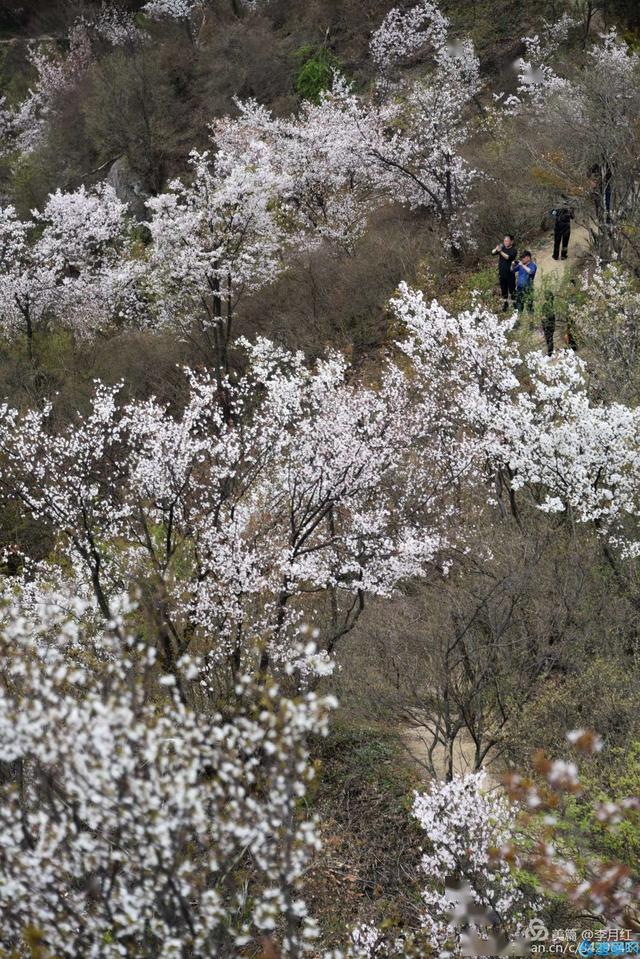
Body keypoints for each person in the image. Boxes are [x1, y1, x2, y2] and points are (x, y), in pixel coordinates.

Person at [491, 235, 517, 311]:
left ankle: (515, 306)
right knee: (504, 291)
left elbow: (508, 257)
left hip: (510, 274)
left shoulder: (514, 250)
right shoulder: (501, 248)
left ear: (511, 241)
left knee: (512, 291)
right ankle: (505, 305)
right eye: (504, 241)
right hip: (502, 274)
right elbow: (492, 253)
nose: (505, 242)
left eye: (507, 241)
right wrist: (496, 249)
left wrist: (500, 251)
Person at [512, 250, 537, 314]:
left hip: (528, 288)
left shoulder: (532, 265)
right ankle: (519, 319)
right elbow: (512, 270)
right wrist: (512, 264)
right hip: (519, 288)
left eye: (523, 257)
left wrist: (522, 265)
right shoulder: (521, 265)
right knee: (519, 304)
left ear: (528, 258)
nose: (522, 259)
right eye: (521, 257)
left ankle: (531, 320)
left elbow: (531, 271)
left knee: (529, 305)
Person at [540, 290, 556, 356]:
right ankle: (550, 353)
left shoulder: (546, 305)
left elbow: (544, 316)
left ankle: (550, 354)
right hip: (550, 325)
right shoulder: (551, 305)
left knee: (549, 339)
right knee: (550, 339)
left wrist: (543, 318)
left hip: (548, 325)